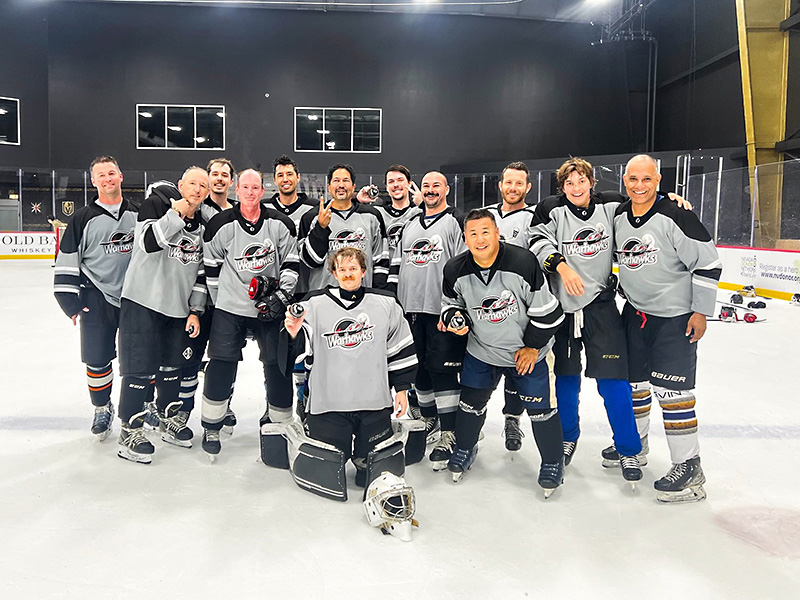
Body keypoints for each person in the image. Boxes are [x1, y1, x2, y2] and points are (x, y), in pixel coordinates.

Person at [613, 154, 721, 503]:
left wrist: (700, 312)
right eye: (633, 179)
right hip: (636, 315)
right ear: (624, 180)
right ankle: (636, 445)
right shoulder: (618, 215)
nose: (639, 186)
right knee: (635, 385)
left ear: (658, 180)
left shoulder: (677, 215)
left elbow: (708, 263)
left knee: (673, 393)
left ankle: (689, 466)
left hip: (675, 318)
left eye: (647, 179)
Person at [529, 157, 643, 484]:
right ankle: (567, 438)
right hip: (563, 311)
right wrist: (562, 267)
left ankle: (628, 448)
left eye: (581, 181)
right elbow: (537, 242)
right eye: (569, 183)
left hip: (600, 308)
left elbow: (644, 208)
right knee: (566, 381)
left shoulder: (611, 204)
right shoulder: (551, 209)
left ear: (592, 183)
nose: (576, 187)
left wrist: (670, 200)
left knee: (613, 381)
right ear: (562, 187)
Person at [441, 209, 566, 495]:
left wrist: (532, 347)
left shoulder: (523, 262)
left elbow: (550, 313)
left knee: (541, 410)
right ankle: (465, 447)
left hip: (526, 353)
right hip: (482, 352)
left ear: (497, 233)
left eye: (485, 232)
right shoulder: (454, 269)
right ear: (465, 239)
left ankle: (552, 462)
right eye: (473, 234)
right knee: (470, 403)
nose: (480, 239)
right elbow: (450, 304)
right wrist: (455, 319)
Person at [284, 247, 417, 488]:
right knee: (328, 467)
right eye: (342, 269)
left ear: (363, 272)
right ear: (334, 273)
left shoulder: (386, 303)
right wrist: (293, 333)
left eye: (353, 268)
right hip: (329, 403)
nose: (348, 274)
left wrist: (401, 388)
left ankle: (363, 461)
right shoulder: (312, 304)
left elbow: (399, 347)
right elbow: (296, 351)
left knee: (371, 471)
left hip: (373, 402)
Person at [200, 168, 300, 458]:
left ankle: (280, 423)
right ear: (237, 189)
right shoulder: (220, 224)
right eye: (245, 187)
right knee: (221, 363)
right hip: (230, 307)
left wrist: (281, 297)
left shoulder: (280, 224)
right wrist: (222, 302)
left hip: (269, 306)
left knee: (277, 364)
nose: (250, 192)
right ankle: (212, 425)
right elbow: (211, 267)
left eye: (255, 187)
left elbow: (291, 263)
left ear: (263, 191)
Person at [116, 166, 209, 463]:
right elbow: (148, 243)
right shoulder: (156, 205)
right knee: (139, 368)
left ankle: (168, 417)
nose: (197, 189)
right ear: (181, 185)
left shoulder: (204, 225)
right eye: (192, 183)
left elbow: (202, 274)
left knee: (172, 367)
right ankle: (130, 429)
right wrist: (176, 213)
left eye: (203, 186)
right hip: (142, 302)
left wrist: (195, 310)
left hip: (177, 308)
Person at [53, 156, 137, 441]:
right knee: (97, 357)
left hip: (134, 297)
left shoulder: (137, 214)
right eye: (101, 175)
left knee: (140, 356)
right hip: (96, 297)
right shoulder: (82, 218)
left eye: (111, 173)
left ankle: (142, 405)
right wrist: (70, 302)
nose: (107, 179)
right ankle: (102, 407)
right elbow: (67, 259)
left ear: (121, 176)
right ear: (93, 181)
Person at [388, 171, 467, 470]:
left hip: (441, 311)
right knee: (418, 368)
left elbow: (463, 267)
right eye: (426, 186)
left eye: (436, 185)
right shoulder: (410, 223)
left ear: (446, 189)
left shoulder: (454, 222)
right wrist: (395, 305)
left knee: (442, 370)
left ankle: (450, 431)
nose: (431, 190)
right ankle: (429, 416)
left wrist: (456, 308)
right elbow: (397, 264)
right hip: (411, 310)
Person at [485, 161, 539, 453]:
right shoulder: (486, 215)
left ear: (528, 187)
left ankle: (512, 419)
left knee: (515, 365)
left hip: (518, 305)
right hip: (484, 304)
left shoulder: (535, 217)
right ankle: (472, 426)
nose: (513, 188)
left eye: (519, 183)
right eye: (509, 182)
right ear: (500, 185)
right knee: (481, 367)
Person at [298, 164, 389, 291]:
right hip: (324, 297)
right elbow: (310, 262)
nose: (341, 185)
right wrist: (321, 228)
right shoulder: (311, 217)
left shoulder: (372, 216)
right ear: (329, 187)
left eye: (346, 180)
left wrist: (377, 293)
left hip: (362, 295)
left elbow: (380, 260)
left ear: (353, 186)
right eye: (336, 180)